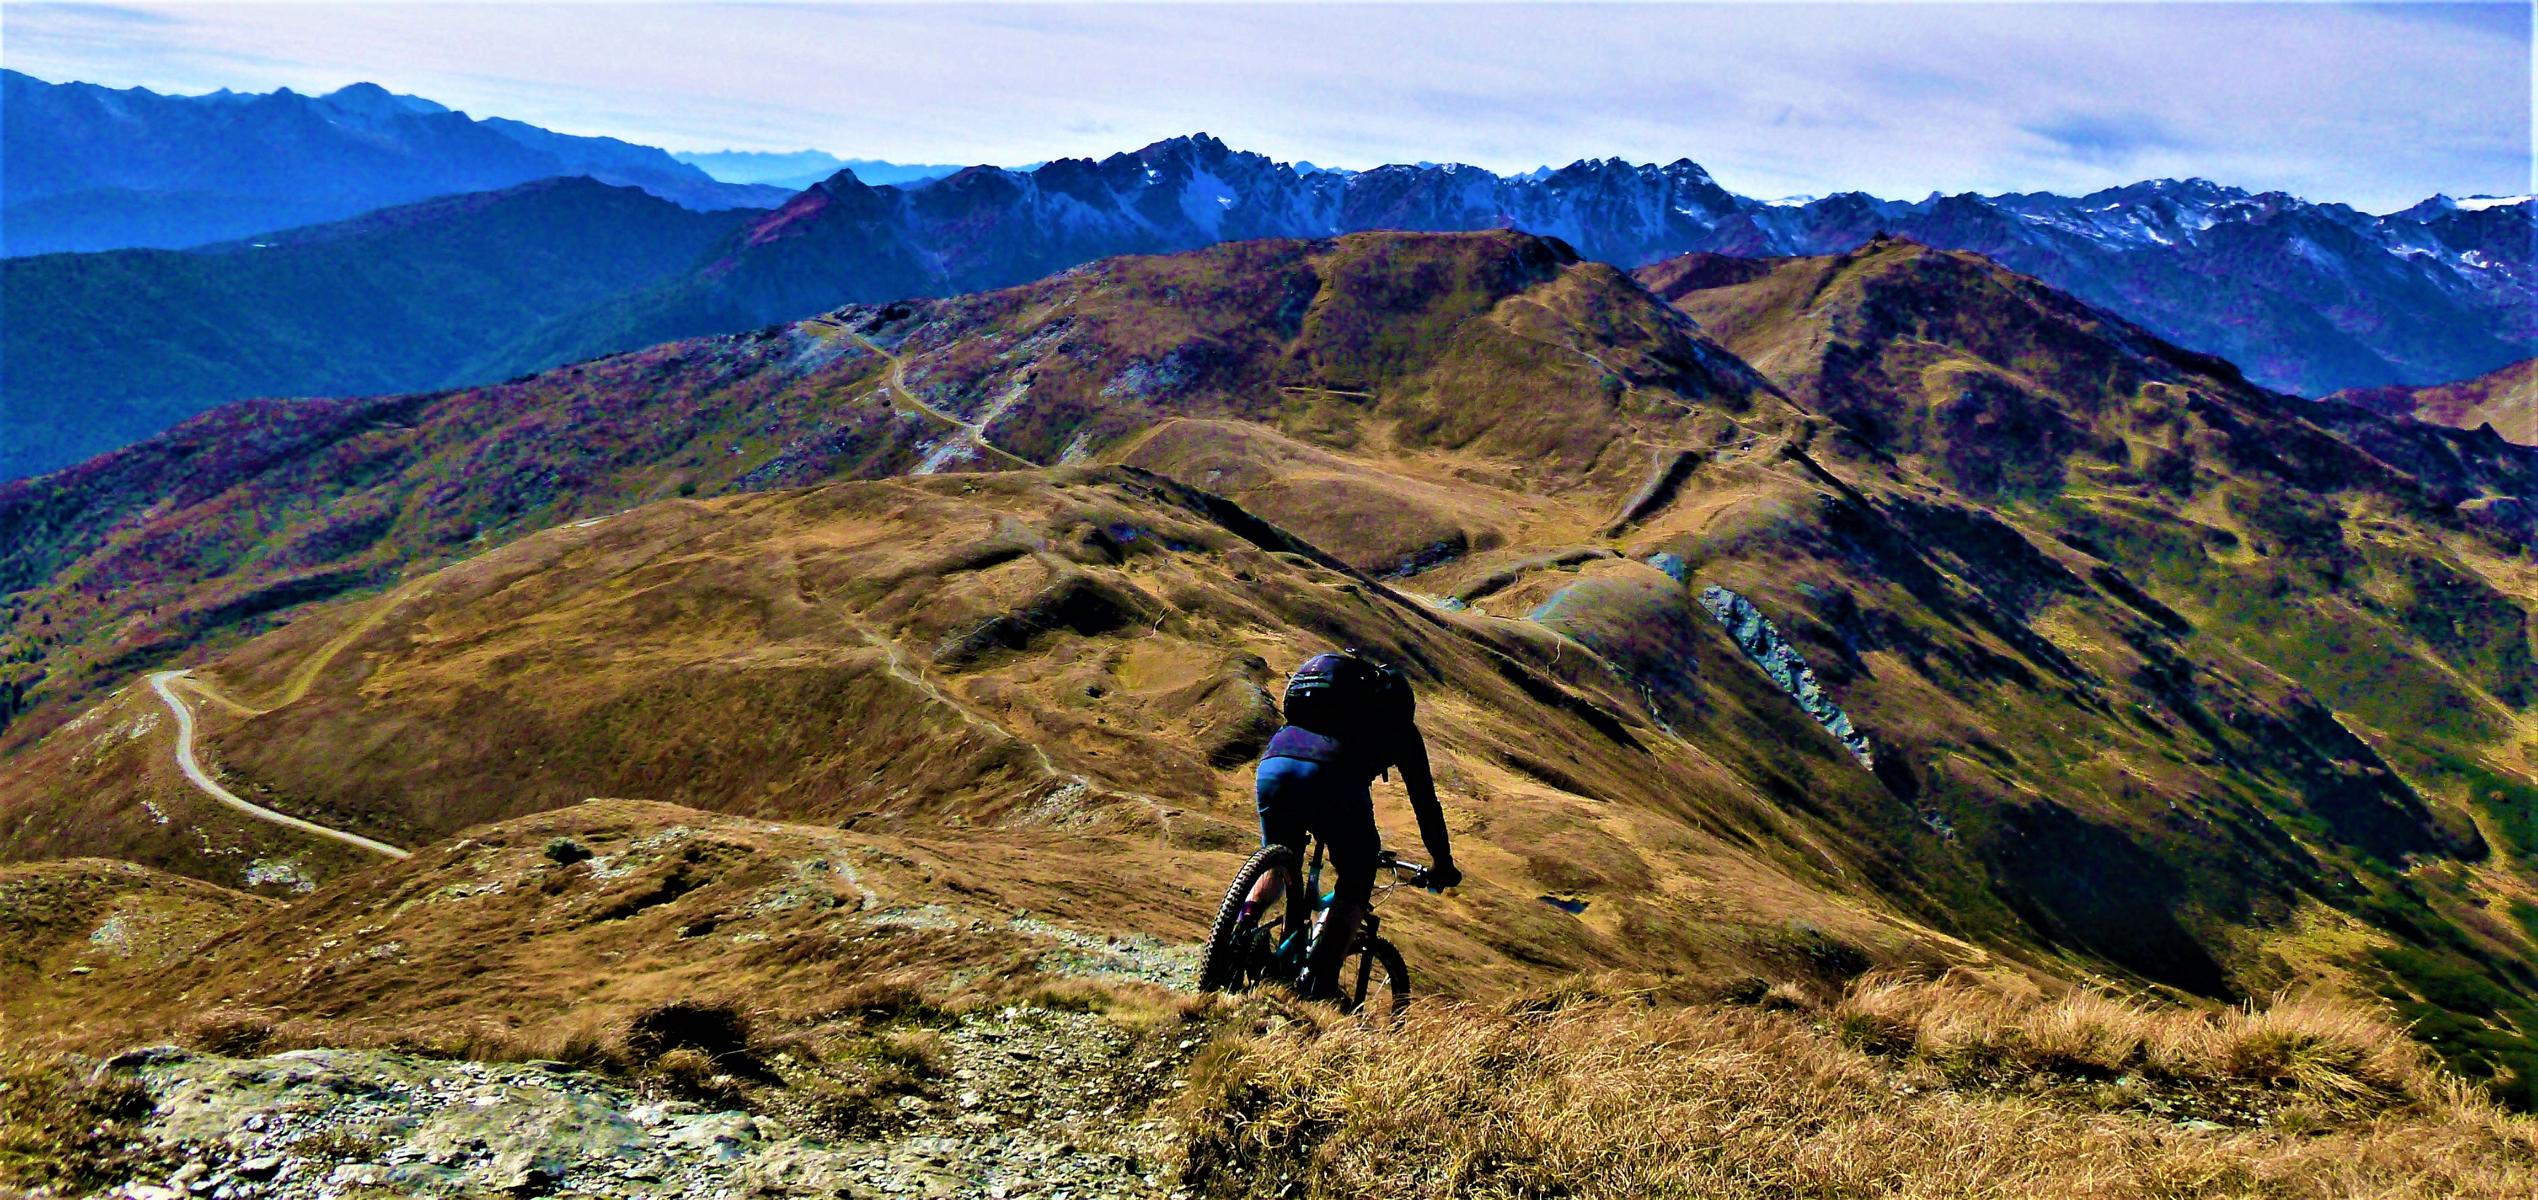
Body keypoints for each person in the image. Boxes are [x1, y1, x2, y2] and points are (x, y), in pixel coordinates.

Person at [1251, 649, 1459, 1000]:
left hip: (1275, 765)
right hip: (1334, 779)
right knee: (1356, 878)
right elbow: (1425, 805)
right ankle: (1315, 984)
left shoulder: (1318, 708)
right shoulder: (1402, 733)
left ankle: (1240, 928)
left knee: (1280, 863)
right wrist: (1443, 864)